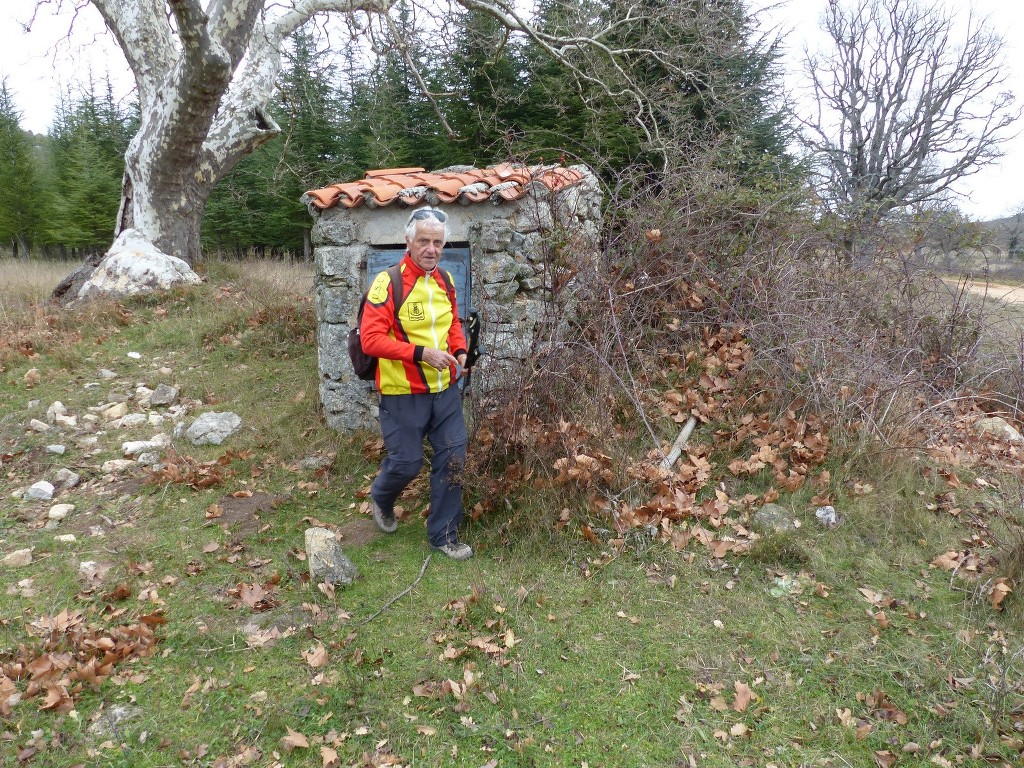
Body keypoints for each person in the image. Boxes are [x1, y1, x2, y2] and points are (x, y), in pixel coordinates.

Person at [359, 206, 472, 560]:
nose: (431, 248)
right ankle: (382, 495)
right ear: (408, 241)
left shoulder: (445, 281)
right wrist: (421, 354)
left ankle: (443, 535)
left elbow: (453, 322)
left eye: (438, 242)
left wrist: (460, 350)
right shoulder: (387, 282)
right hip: (402, 393)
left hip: (445, 390)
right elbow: (370, 341)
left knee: (454, 458)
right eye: (424, 240)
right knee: (407, 463)